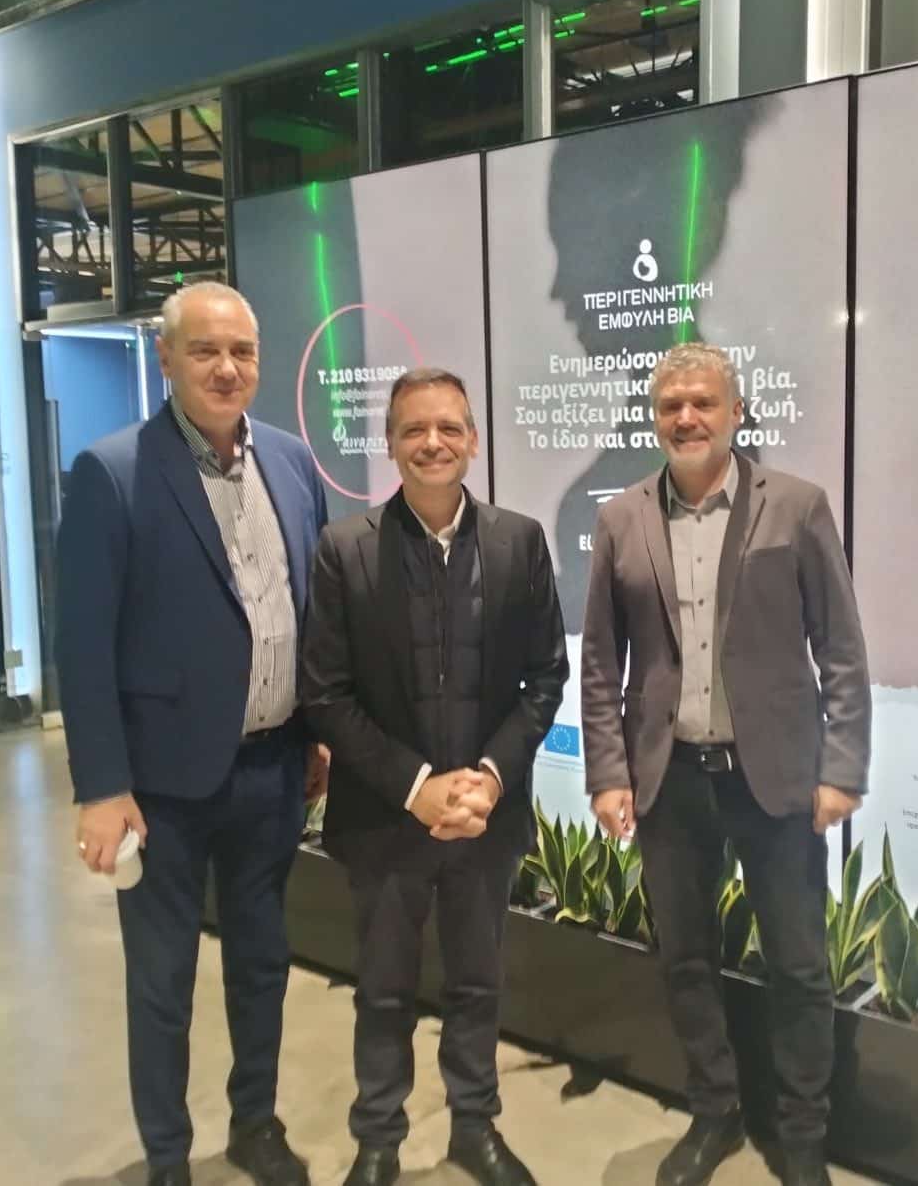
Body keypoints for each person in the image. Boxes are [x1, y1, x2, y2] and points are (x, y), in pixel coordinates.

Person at [57, 281, 330, 1186]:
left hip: (273, 770)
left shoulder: (292, 463)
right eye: (205, 350)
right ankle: (168, 1156)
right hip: (161, 788)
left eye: (241, 351)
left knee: (262, 964)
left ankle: (256, 1122)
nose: (225, 367)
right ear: (166, 357)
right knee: (162, 982)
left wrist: (318, 730)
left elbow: (310, 611)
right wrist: (102, 786)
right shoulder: (113, 473)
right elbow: (83, 644)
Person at [579, 343, 871, 1186]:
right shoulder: (621, 518)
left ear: (736, 412)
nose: (686, 418)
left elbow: (841, 649)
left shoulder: (798, 507)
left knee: (799, 966)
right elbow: (600, 661)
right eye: (671, 405)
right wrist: (607, 771)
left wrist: (842, 764)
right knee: (685, 959)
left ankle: (803, 1136)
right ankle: (715, 1111)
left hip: (774, 778)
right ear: (655, 418)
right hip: (668, 779)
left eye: (703, 402)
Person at [300, 367, 568, 1186]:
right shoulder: (345, 550)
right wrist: (417, 787)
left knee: (478, 984)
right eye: (414, 428)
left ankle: (473, 1128)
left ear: (473, 440)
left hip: (486, 818)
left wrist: (488, 776)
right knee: (382, 991)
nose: (433, 442)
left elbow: (545, 677)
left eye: (449, 427)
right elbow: (326, 693)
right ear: (390, 443)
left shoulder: (520, 542)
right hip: (386, 818)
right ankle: (378, 1139)